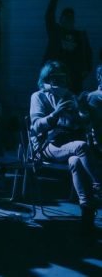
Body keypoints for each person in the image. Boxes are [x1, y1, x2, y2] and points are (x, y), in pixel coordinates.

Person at [30, 61, 101, 234]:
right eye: (56, 78)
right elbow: (36, 127)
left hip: (67, 143)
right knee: (81, 147)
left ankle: (87, 213)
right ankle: (99, 184)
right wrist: (55, 114)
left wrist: (80, 112)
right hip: (47, 145)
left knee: (76, 161)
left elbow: (82, 123)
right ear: (47, 79)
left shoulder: (69, 95)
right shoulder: (39, 96)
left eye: (63, 78)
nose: (60, 82)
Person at [44, 0, 92, 93]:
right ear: (61, 19)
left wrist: (86, 70)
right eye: (65, 18)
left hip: (74, 78)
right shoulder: (55, 32)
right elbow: (49, 16)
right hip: (56, 76)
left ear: (74, 20)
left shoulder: (80, 36)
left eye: (70, 18)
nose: (68, 20)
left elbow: (88, 54)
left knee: (73, 100)